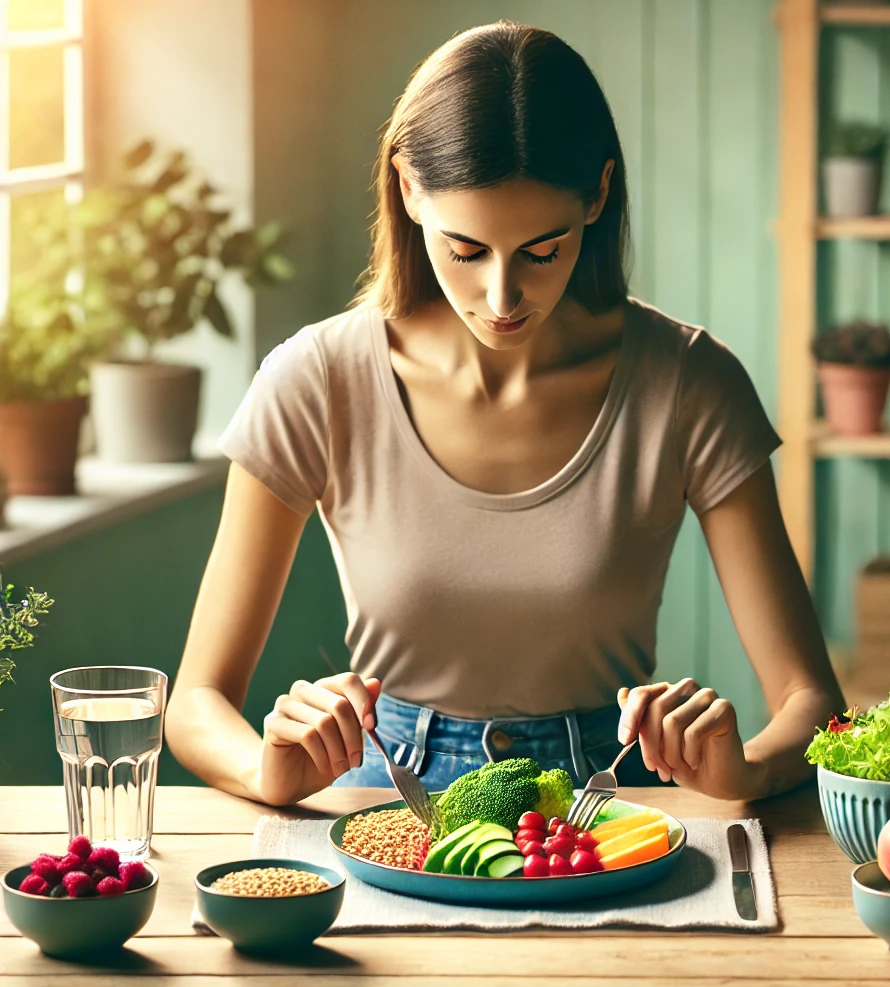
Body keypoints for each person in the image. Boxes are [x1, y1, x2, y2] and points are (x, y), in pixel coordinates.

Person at [165, 20, 845, 809]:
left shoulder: (689, 383)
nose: (501, 298)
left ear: (597, 195)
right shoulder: (316, 380)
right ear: (410, 191)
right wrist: (263, 768)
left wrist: (748, 770)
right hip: (378, 798)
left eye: (541, 250)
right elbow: (195, 704)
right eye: (466, 250)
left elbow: (814, 703)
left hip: (606, 803)